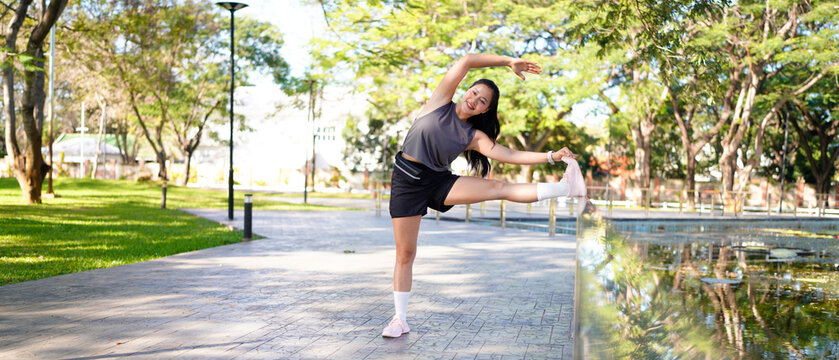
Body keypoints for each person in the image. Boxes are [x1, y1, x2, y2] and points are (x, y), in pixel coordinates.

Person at [382, 53, 587, 338]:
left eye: (482, 102)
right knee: (405, 253)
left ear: (483, 111)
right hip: (406, 180)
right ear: (466, 89)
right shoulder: (440, 102)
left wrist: (551, 156)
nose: (475, 100)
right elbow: (466, 61)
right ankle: (399, 319)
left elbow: (510, 154)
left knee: (497, 188)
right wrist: (507, 62)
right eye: (474, 92)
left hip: (438, 181)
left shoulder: (473, 135)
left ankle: (567, 187)